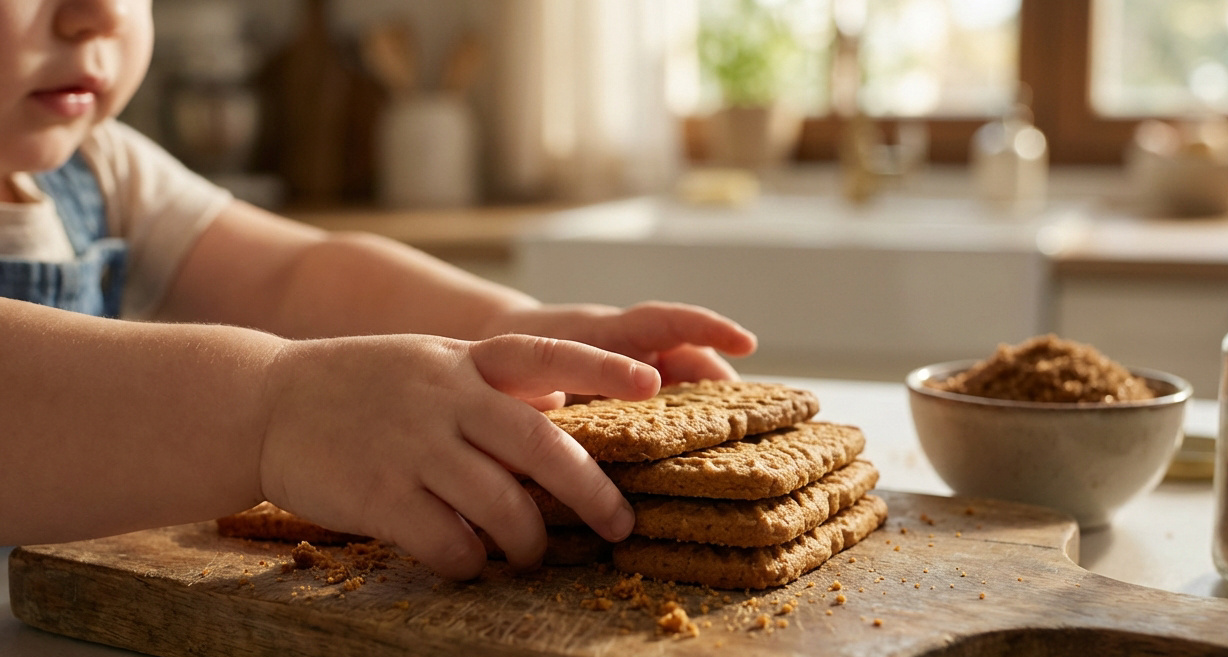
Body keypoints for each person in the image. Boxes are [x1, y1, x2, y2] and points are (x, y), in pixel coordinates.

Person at [0, 0, 757, 580]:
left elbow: (289, 277)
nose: (97, 11)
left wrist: (512, 328)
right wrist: (275, 414)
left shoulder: (103, 167)